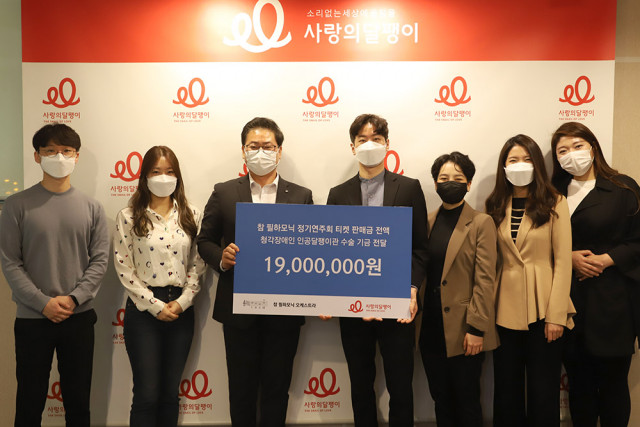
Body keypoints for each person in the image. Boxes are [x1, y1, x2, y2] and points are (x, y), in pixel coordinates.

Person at [197, 117, 313, 426]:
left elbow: (311, 250)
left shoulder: (301, 196)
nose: (261, 152)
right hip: (239, 309)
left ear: (279, 151)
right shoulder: (224, 192)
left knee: (277, 389)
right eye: (254, 146)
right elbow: (204, 241)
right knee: (241, 390)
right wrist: (222, 258)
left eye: (268, 146)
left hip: (285, 310)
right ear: (243, 151)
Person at [0, 123, 109, 426]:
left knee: (78, 402)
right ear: (37, 156)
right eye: (50, 151)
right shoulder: (16, 205)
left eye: (66, 151)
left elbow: (99, 262)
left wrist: (74, 299)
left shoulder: (93, 208)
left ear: (76, 156)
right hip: (32, 318)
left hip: (79, 317)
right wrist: (43, 303)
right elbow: (10, 262)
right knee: (29, 401)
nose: (59, 157)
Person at [324, 114, 428, 427]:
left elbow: (420, 248)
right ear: (352, 147)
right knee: (360, 384)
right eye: (363, 140)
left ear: (387, 144)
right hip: (352, 306)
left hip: (397, 303)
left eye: (377, 139)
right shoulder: (337, 194)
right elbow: (331, 253)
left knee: (401, 385)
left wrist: (411, 288)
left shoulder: (409, 188)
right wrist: (328, 297)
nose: (370, 145)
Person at [550, 122, 640, 427]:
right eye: (563, 150)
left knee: (614, 386)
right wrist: (569, 256)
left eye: (577, 146)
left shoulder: (623, 188)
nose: (571, 154)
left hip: (613, 303)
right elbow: (536, 244)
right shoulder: (551, 193)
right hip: (569, 303)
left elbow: (638, 240)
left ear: (593, 147)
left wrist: (607, 259)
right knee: (580, 386)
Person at [485, 134, 574, 427]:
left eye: (526, 159)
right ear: (504, 166)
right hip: (503, 309)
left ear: (537, 164)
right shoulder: (495, 203)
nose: (520, 165)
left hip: (544, 309)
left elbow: (563, 262)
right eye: (513, 160)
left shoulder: (555, 202)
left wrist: (556, 315)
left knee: (543, 391)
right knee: (506, 391)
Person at [113, 146, 205, 426]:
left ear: (177, 176)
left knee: (169, 394)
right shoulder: (129, 216)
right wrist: (155, 306)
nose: (163, 178)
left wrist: (182, 301)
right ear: (144, 177)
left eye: (169, 172)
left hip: (180, 309)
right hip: (143, 310)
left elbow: (197, 264)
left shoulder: (191, 214)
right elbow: (124, 267)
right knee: (146, 394)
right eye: (156, 172)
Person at [420, 152, 498, 427]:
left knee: (467, 402)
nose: (449, 182)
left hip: (464, 330)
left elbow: (485, 279)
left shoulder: (481, 222)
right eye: (443, 178)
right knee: (440, 399)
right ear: (435, 183)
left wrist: (476, 328)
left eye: (457, 178)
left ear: (469, 183)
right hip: (430, 327)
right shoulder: (427, 222)